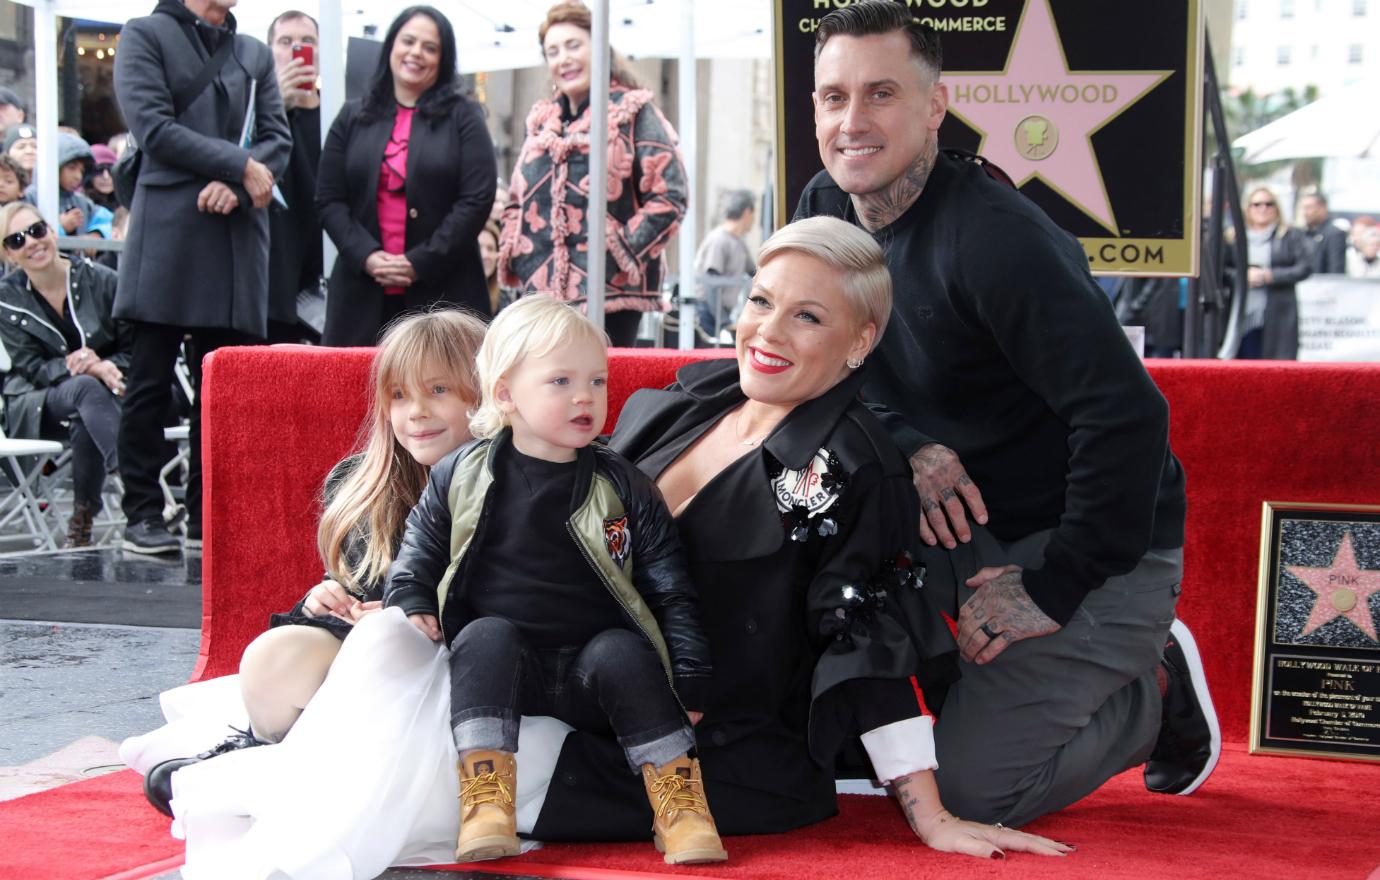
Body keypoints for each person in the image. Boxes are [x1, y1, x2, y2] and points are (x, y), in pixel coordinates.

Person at [524, 218, 1067, 861]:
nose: (769, 331)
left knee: (453, 779)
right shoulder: (676, 404)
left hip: (712, 754)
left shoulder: (845, 469)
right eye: (761, 300)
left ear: (860, 340)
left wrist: (932, 817)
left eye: (807, 316)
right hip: (576, 691)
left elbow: (864, 640)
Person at [794, 2, 1215, 829]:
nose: (852, 121)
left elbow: (1130, 416)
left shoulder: (994, 240)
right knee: (791, 502)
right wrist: (909, 442)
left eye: (880, 94)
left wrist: (1055, 586)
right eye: (833, 97)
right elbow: (820, 372)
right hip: (964, 521)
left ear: (934, 107)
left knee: (973, 793)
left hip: (1090, 541)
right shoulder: (825, 207)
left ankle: (1153, 686)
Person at [385, 296, 727, 865]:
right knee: (484, 634)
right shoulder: (460, 473)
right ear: (504, 395)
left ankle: (679, 800)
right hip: (502, 673)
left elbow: (670, 585)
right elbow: (419, 546)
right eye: (561, 381)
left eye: (596, 381)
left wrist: (690, 675)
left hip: (591, 676)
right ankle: (487, 799)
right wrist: (411, 593)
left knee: (623, 649)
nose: (584, 397)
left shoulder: (625, 484)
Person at [131, 309, 487, 816]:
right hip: (365, 657)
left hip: (466, 660)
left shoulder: (515, 485)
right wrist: (325, 601)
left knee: (384, 640)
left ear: (488, 391)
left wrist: (407, 613)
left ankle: (274, 776)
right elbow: (352, 581)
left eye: (438, 391)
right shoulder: (364, 482)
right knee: (273, 657)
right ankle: (268, 748)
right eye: (400, 396)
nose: (416, 413)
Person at [113, 0, 291, 554]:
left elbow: (276, 140)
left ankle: (206, 516)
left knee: (222, 392)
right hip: (167, 226)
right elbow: (153, 128)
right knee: (147, 380)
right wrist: (236, 166)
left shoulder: (254, 51)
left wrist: (239, 187)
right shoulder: (144, 35)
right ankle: (141, 513)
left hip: (235, 231)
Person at [497, 1, 687, 348]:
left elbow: (670, 193)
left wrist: (616, 250)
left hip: (610, 294)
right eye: (552, 51)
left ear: (599, 48)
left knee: (601, 387)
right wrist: (516, 250)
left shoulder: (632, 110)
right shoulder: (540, 121)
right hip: (539, 294)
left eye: (573, 45)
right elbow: (515, 199)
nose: (563, 58)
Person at [317, 5, 496, 346]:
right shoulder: (352, 115)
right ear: (391, 47)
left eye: (430, 47)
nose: (416, 53)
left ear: (443, 59)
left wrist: (420, 261)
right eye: (408, 41)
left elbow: (477, 198)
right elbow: (328, 198)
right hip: (361, 290)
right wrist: (366, 255)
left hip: (445, 290)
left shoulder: (464, 115)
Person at [0, 202, 130, 546]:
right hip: (36, 399)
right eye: (16, 239)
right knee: (86, 389)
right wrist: (87, 364)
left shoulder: (102, 280)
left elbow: (133, 349)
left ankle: (82, 519)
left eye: (37, 230)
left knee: (86, 409)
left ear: (52, 232)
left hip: (107, 392)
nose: (31, 242)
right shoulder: (5, 300)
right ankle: (135, 491)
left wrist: (104, 366)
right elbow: (32, 368)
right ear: (9, 255)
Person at [265, 9, 324, 344]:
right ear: (270, 50)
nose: (296, 49)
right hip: (275, 271)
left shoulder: (336, 114)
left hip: (323, 264)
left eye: (307, 41)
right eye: (285, 41)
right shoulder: (260, 110)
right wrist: (277, 105)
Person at [1227, 186, 1312, 359]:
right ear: (1248, 208)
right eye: (1256, 204)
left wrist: (1270, 276)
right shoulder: (1232, 237)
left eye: (1268, 204)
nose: (1262, 209)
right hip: (1240, 313)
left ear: (1276, 208)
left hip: (1278, 311)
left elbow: (1305, 267)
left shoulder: (1290, 235)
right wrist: (1243, 277)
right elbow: (1221, 270)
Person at [693, 189, 756, 342]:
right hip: (707, 312)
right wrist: (724, 321)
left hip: (720, 312)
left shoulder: (739, 242)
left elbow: (754, 272)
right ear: (747, 212)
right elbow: (711, 284)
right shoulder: (719, 240)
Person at [23, 133, 113, 239]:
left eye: (82, 171)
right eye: (72, 168)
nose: (78, 176)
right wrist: (60, 228)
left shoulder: (82, 202)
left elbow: (108, 221)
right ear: (54, 165)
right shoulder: (29, 198)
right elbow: (22, 235)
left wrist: (97, 233)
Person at [1300, 192, 1347, 275]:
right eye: (1303, 208)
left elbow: (1336, 270)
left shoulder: (1334, 234)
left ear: (1322, 208)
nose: (1305, 213)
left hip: (1322, 284)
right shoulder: (1301, 234)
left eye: (1309, 208)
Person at [84, 143, 120, 213]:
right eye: (99, 170)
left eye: (110, 170)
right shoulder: (79, 205)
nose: (106, 177)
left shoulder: (127, 204)